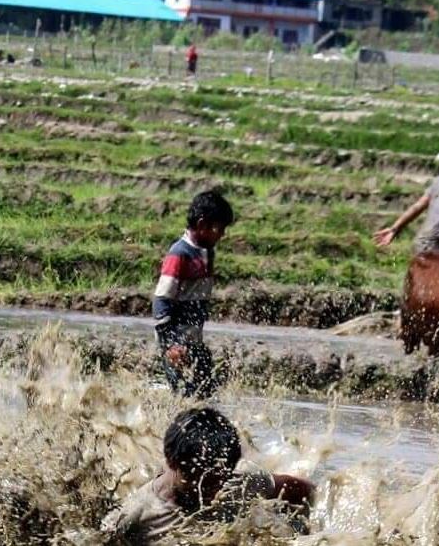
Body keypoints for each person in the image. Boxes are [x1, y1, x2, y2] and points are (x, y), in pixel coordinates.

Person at [101, 408, 314, 543]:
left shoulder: (237, 484)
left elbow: (304, 489)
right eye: (203, 480)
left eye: (221, 477)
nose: (215, 488)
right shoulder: (135, 514)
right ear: (172, 462)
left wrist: (299, 531)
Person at [153, 191, 233, 398]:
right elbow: (161, 300)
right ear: (201, 224)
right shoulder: (179, 254)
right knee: (185, 397)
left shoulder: (207, 251)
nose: (222, 234)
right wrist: (171, 344)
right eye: (218, 228)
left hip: (193, 339)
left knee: (206, 390)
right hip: (177, 344)